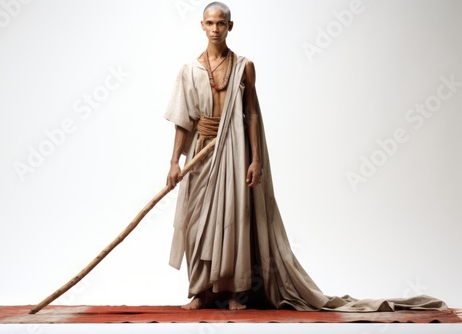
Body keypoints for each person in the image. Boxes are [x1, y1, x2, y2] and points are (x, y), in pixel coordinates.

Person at [164, 2, 447, 312]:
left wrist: (256, 159)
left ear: (230, 26)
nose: (215, 28)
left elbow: (252, 113)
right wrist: (174, 161)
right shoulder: (189, 71)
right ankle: (202, 292)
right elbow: (184, 120)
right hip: (202, 152)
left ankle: (233, 292)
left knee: (233, 220)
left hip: (234, 149)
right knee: (198, 222)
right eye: (209, 23)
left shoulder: (244, 66)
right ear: (201, 26)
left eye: (221, 23)